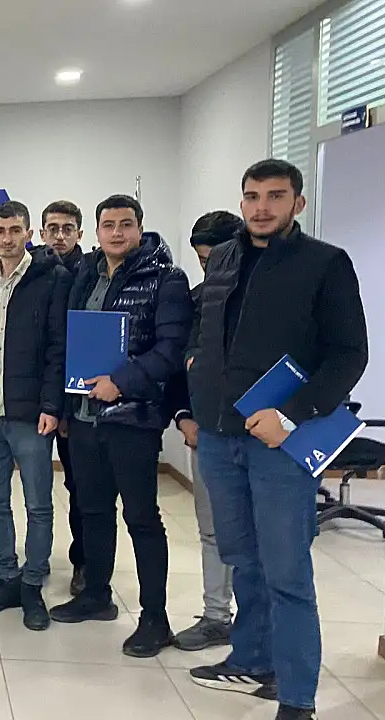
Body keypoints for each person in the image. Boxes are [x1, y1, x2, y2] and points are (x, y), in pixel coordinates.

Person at [187, 160, 367, 720]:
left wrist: (291, 414)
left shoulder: (325, 263)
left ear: (298, 203)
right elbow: (206, 333)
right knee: (242, 557)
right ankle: (253, 658)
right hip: (218, 435)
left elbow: (349, 354)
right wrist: (195, 395)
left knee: (286, 571)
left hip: (280, 443)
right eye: (252, 196)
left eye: (275, 195)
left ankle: (296, 695)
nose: (261, 207)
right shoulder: (224, 257)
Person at [49, 195, 193, 660]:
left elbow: (170, 350)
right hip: (84, 417)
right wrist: (65, 408)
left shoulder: (166, 279)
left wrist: (121, 382)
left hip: (133, 418)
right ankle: (96, 595)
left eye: (125, 224)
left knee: (142, 518)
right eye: (108, 225)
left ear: (139, 228)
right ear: (96, 231)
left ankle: (155, 618)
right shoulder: (84, 275)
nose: (116, 233)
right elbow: (69, 342)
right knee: (92, 511)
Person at [0, 201, 71, 632]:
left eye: (15, 230)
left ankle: (32, 582)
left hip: (30, 413)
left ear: (29, 234)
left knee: (38, 504)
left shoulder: (52, 278)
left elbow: (58, 347)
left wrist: (51, 405)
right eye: (0, 231)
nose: (7, 238)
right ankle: (7, 577)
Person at [168, 211, 242, 652]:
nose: (211, 269)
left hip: (261, 437)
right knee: (212, 531)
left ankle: (258, 628)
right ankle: (217, 616)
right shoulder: (196, 303)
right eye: (202, 260)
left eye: (218, 259)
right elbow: (180, 366)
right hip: (207, 433)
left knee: (256, 538)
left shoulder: (263, 300)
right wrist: (183, 417)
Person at [33, 199, 89, 596]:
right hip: (36, 398)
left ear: (79, 233)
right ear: (41, 233)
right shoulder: (33, 272)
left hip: (78, 401)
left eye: (67, 229)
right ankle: (33, 560)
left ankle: (83, 562)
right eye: (52, 228)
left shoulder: (91, 273)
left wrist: (68, 407)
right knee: (34, 489)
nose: (59, 236)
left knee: (80, 488)